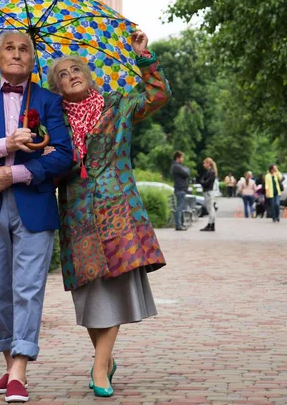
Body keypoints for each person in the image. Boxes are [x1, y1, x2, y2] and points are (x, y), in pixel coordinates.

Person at [47, 31, 169, 398]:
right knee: (86, 292)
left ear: (88, 73)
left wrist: (143, 56)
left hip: (118, 209)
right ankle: (106, 359)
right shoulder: (53, 122)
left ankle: (100, 367)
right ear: (57, 87)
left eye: (76, 68)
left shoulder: (116, 105)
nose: (71, 75)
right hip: (76, 215)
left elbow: (158, 95)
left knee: (114, 287)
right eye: (63, 74)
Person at [0, 30, 73, 404]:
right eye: (10, 48)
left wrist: (17, 171)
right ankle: (11, 365)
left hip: (33, 202)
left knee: (28, 288)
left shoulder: (50, 101)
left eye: (25, 49)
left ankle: (19, 370)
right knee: (0, 291)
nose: (17, 54)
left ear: (33, 60)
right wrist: (4, 145)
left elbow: (64, 154)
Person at [170, 151, 190, 231]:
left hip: (181, 189)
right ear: (178, 158)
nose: (183, 159)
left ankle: (180, 224)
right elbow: (186, 173)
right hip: (180, 189)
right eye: (182, 157)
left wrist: (185, 169)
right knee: (179, 207)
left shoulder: (177, 166)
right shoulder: (176, 166)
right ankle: (178, 225)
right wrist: (187, 169)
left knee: (181, 207)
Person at [199, 158, 217, 232]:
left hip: (209, 191)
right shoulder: (207, 172)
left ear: (208, 163)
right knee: (210, 208)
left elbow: (206, 182)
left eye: (204, 163)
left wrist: (203, 182)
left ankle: (211, 224)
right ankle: (211, 224)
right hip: (207, 191)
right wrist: (203, 182)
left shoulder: (211, 172)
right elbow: (202, 180)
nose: (203, 165)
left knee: (210, 208)